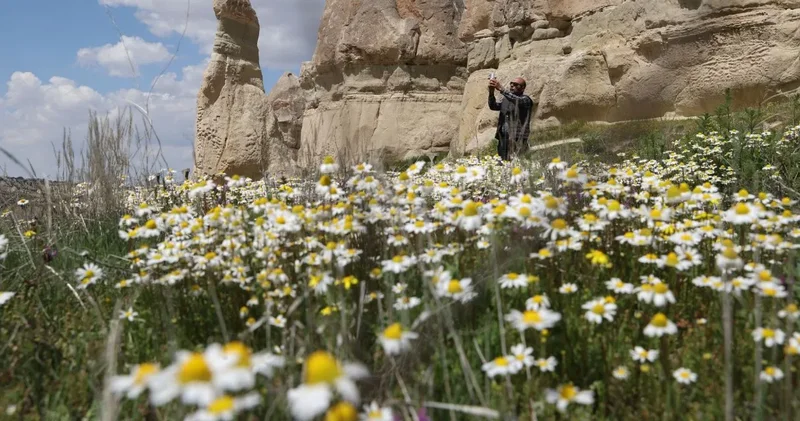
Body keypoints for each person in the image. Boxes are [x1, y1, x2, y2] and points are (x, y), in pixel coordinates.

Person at [488, 76, 535, 161]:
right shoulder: (506, 100)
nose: (512, 86)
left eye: (516, 84)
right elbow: (493, 106)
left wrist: (501, 89)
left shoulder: (526, 100)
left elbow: (517, 100)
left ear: (523, 88)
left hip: (517, 138)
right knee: (503, 162)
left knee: (518, 161)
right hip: (503, 138)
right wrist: (491, 92)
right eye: (511, 84)